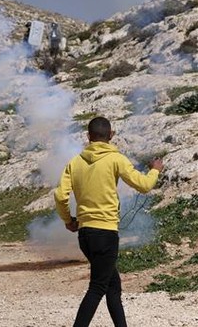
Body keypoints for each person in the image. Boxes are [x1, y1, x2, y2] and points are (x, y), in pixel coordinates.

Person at [54, 117, 164, 327]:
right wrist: (155, 169)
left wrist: (68, 220)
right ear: (111, 135)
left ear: (88, 137)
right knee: (97, 288)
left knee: (113, 285)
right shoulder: (116, 159)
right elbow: (144, 185)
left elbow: (60, 195)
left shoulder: (75, 162)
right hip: (105, 233)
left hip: (85, 235)